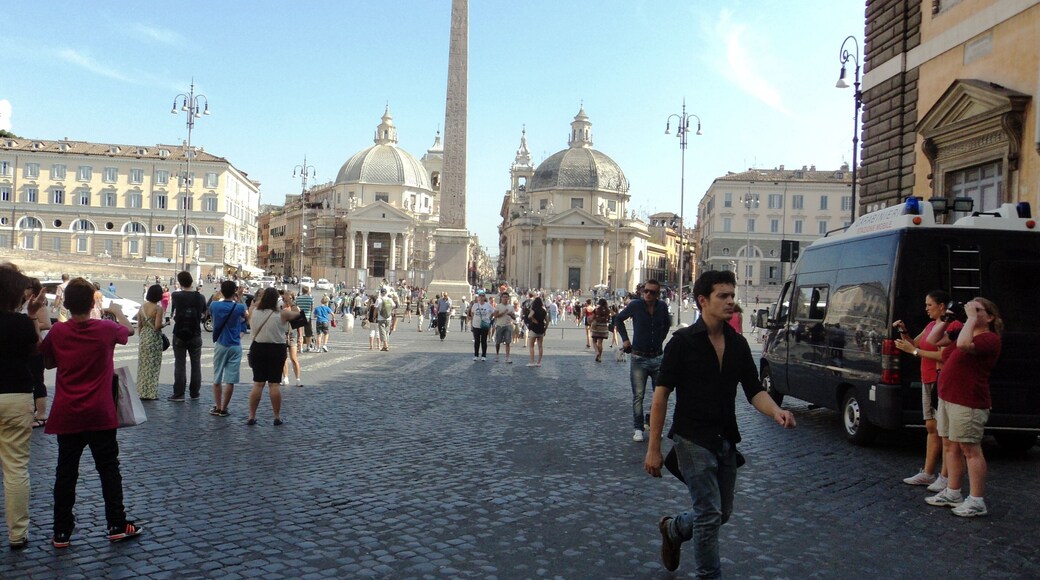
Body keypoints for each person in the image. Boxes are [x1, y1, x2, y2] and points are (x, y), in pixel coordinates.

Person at [644, 270, 796, 575]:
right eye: (722, 296)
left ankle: (673, 530)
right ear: (703, 301)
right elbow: (661, 396)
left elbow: (754, 391)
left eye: (732, 295)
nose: (730, 301)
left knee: (719, 513)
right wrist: (654, 448)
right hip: (691, 439)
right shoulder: (682, 342)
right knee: (710, 513)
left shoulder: (738, 344)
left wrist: (775, 411)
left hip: (725, 438)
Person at [41, 277, 142, 548]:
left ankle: (61, 531)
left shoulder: (58, 332)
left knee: (66, 472)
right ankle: (117, 524)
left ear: (67, 304)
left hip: (68, 413)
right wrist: (117, 311)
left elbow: (47, 361)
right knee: (109, 470)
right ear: (92, 303)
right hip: (100, 412)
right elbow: (129, 331)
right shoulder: (106, 328)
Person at [924, 298, 1002, 517]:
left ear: (990, 317)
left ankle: (977, 501)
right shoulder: (963, 331)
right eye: (970, 310)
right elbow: (933, 340)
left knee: (971, 450)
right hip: (949, 398)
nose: (972, 313)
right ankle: (952, 492)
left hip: (968, 401)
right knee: (950, 446)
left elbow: (963, 345)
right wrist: (947, 318)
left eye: (978, 311)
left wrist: (969, 320)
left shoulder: (989, 339)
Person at [0, 263, 46, 549]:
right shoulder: (19, 323)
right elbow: (36, 350)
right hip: (16, 396)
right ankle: (18, 534)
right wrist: (31, 317)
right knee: (16, 469)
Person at [893, 290, 952, 489]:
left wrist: (915, 351)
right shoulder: (930, 326)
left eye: (929, 305)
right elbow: (914, 344)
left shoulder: (950, 326)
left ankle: (944, 475)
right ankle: (928, 472)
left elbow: (942, 356)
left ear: (942, 306)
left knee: (943, 429)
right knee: (931, 426)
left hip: (938, 379)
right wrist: (903, 331)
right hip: (927, 378)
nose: (926, 308)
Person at [615, 279, 673, 442]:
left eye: (652, 292)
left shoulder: (662, 307)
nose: (647, 294)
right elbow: (618, 319)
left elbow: (667, 325)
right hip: (639, 357)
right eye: (645, 291)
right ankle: (638, 428)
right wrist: (625, 340)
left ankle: (653, 424)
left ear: (657, 295)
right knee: (638, 396)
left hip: (657, 357)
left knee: (660, 396)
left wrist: (660, 339)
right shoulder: (635, 305)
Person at [246, 287, 302, 426]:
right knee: (274, 384)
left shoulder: (254, 311)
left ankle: (251, 416)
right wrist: (288, 301)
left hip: (258, 348)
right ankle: (276, 416)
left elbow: (252, 304)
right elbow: (299, 314)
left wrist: (258, 299)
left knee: (258, 384)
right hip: (276, 349)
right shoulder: (282, 314)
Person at [209, 281, 249, 417]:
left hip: (221, 343)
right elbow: (246, 318)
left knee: (217, 377)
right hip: (235, 345)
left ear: (221, 291)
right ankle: (224, 408)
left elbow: (211, 312)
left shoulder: (214, 305)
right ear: (235, 292)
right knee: (230, 380)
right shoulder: (239, 307)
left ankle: (218, 406)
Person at [168, 271, 207, 402]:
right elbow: (203, 313)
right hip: (195, 333)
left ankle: (179, 393)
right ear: (192, 281)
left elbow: (174, 311)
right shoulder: (200, 297)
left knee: (180, 363)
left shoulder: (176, 295)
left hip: (179, 333)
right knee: (196, 364)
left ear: (180, 282)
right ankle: (195, 393)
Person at [135, 284, 166, 401]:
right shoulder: (158, 309)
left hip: (144, 336)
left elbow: (139, 325)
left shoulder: (142, 307)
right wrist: (165, 324)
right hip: (153, 338)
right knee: (153, 366)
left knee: (143, 365)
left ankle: (141, 391)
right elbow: (158, 326)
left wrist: (142, 336)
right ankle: (151, 393)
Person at [281, 292, 303, 386]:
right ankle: (285, 378)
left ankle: (298, 379)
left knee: (294, 358)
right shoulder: (281, 308)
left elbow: (300, 324)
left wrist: (300, 336)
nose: (288, 300)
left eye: (290, 298)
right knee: (283, 358)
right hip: (282, 334)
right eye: (286, 298)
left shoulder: (296, 308)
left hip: (293, 335)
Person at [492, 291, 516, 363]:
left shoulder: (511, 307)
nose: (505, 298)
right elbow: (495, 316)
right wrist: (503, 313)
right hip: (499, 325)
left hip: (508, 325)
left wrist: (511, 315)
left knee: (508, 342)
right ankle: (497, 355)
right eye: (504, 297)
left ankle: (507, 357)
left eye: (506, 297)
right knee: (498, 342)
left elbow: (514, 317)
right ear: (501, 298)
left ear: (508, 298)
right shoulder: (498, 306)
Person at [469, 292, 493, 361]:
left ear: (485, 297)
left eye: (483, 296)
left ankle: (483, 355)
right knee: (476, 340)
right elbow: (472, 312)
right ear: (478, 297)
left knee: (483, 340)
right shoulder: (475, 305)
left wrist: (489, 318)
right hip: (476, 325)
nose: (481, 297)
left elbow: (493, 312)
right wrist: (474, 319)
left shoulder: (488, 305)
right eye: (480, 296)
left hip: (484, 325)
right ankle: (476, 355)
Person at [526, 296, 549, 367]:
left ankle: (532, 362)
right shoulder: (544, 311)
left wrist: (533, 319)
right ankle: (539, 362)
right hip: (541, 329)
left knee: (531, 346)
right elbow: (547, 321)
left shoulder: (534, 309)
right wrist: (545, 329)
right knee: (540, 346)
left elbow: (529, 316)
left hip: (534, 329)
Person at [295, 285, 315, 352]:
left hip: (300, 315)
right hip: (307, 316)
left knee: (300, 333)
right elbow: (312, 308)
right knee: (308, 332)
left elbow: (295, 307)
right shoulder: (310, 298)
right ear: (308, 291)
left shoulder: (297, 298)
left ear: (302, 291)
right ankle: (308, 346)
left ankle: (300, 347)